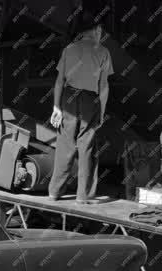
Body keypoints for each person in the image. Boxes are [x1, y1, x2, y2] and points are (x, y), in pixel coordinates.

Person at [48, 20, 113, 204]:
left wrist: (56, 107)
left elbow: (59, 80)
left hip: (68, 97)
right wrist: (101, 111)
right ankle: (83, 196)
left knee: (65, 145)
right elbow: (104, 86)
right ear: (97, 30)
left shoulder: (69, 49)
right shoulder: (103, 52)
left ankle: (54, 192)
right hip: (90, 100)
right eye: (101, 31)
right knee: (87, 147)